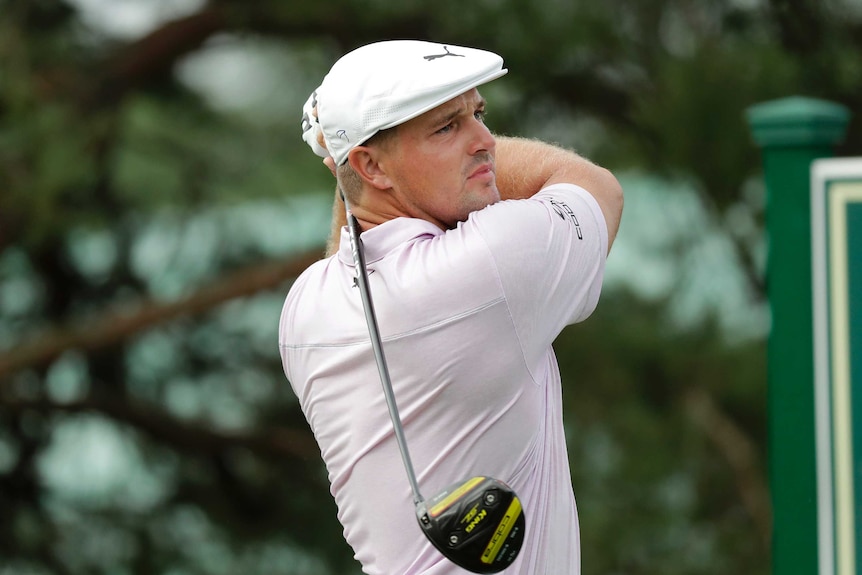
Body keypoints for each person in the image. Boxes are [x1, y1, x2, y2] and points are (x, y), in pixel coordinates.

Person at [279, 40, 623, 575]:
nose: (486, 141)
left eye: (479, 114)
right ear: (373, 166)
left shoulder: (306, 307)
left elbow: (353, 224)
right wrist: (347, 148)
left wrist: (346, 155)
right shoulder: (492, 265)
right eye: (447, 126)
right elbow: (595, 187)